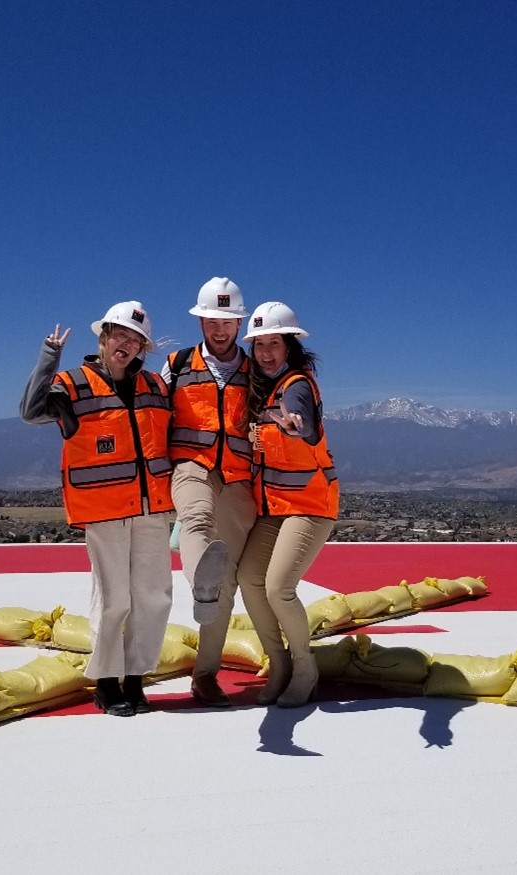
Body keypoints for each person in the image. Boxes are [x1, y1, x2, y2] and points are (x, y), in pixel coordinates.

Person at [20, 301, 175, 717]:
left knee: (153, 597)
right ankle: (107, 684)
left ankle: (136, 680)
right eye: (119, 336)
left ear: (143, 347)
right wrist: (49, 357)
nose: (126, 345)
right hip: (105, 511)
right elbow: (31, 411)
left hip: (152, 509)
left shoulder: (156, 390)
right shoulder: (73, 386)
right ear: (103, 338)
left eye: (135, 340)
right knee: (113, 600)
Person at [160, 277, 258, 708]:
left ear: (240, 324)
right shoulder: (176, 365)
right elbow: (148, 414)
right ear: (200, 321)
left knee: (230, 584)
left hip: (238, 479)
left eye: (229, 321)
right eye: (212, 321)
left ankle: (205, 676)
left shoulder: (256, 372)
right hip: (190, 466)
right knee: (196, 520)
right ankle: (202, 585)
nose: (220, 330)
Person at [235, 301, 338, 708]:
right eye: (259, 344)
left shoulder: (296, 385)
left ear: (289, 345)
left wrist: (295, 425)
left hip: (310, 504)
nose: (266, 352)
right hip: (273, 506)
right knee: (248, 578)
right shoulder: (259, 388)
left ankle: (304, 666)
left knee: (279, 587)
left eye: (274, 343)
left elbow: (303, 422)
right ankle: (277, 663)